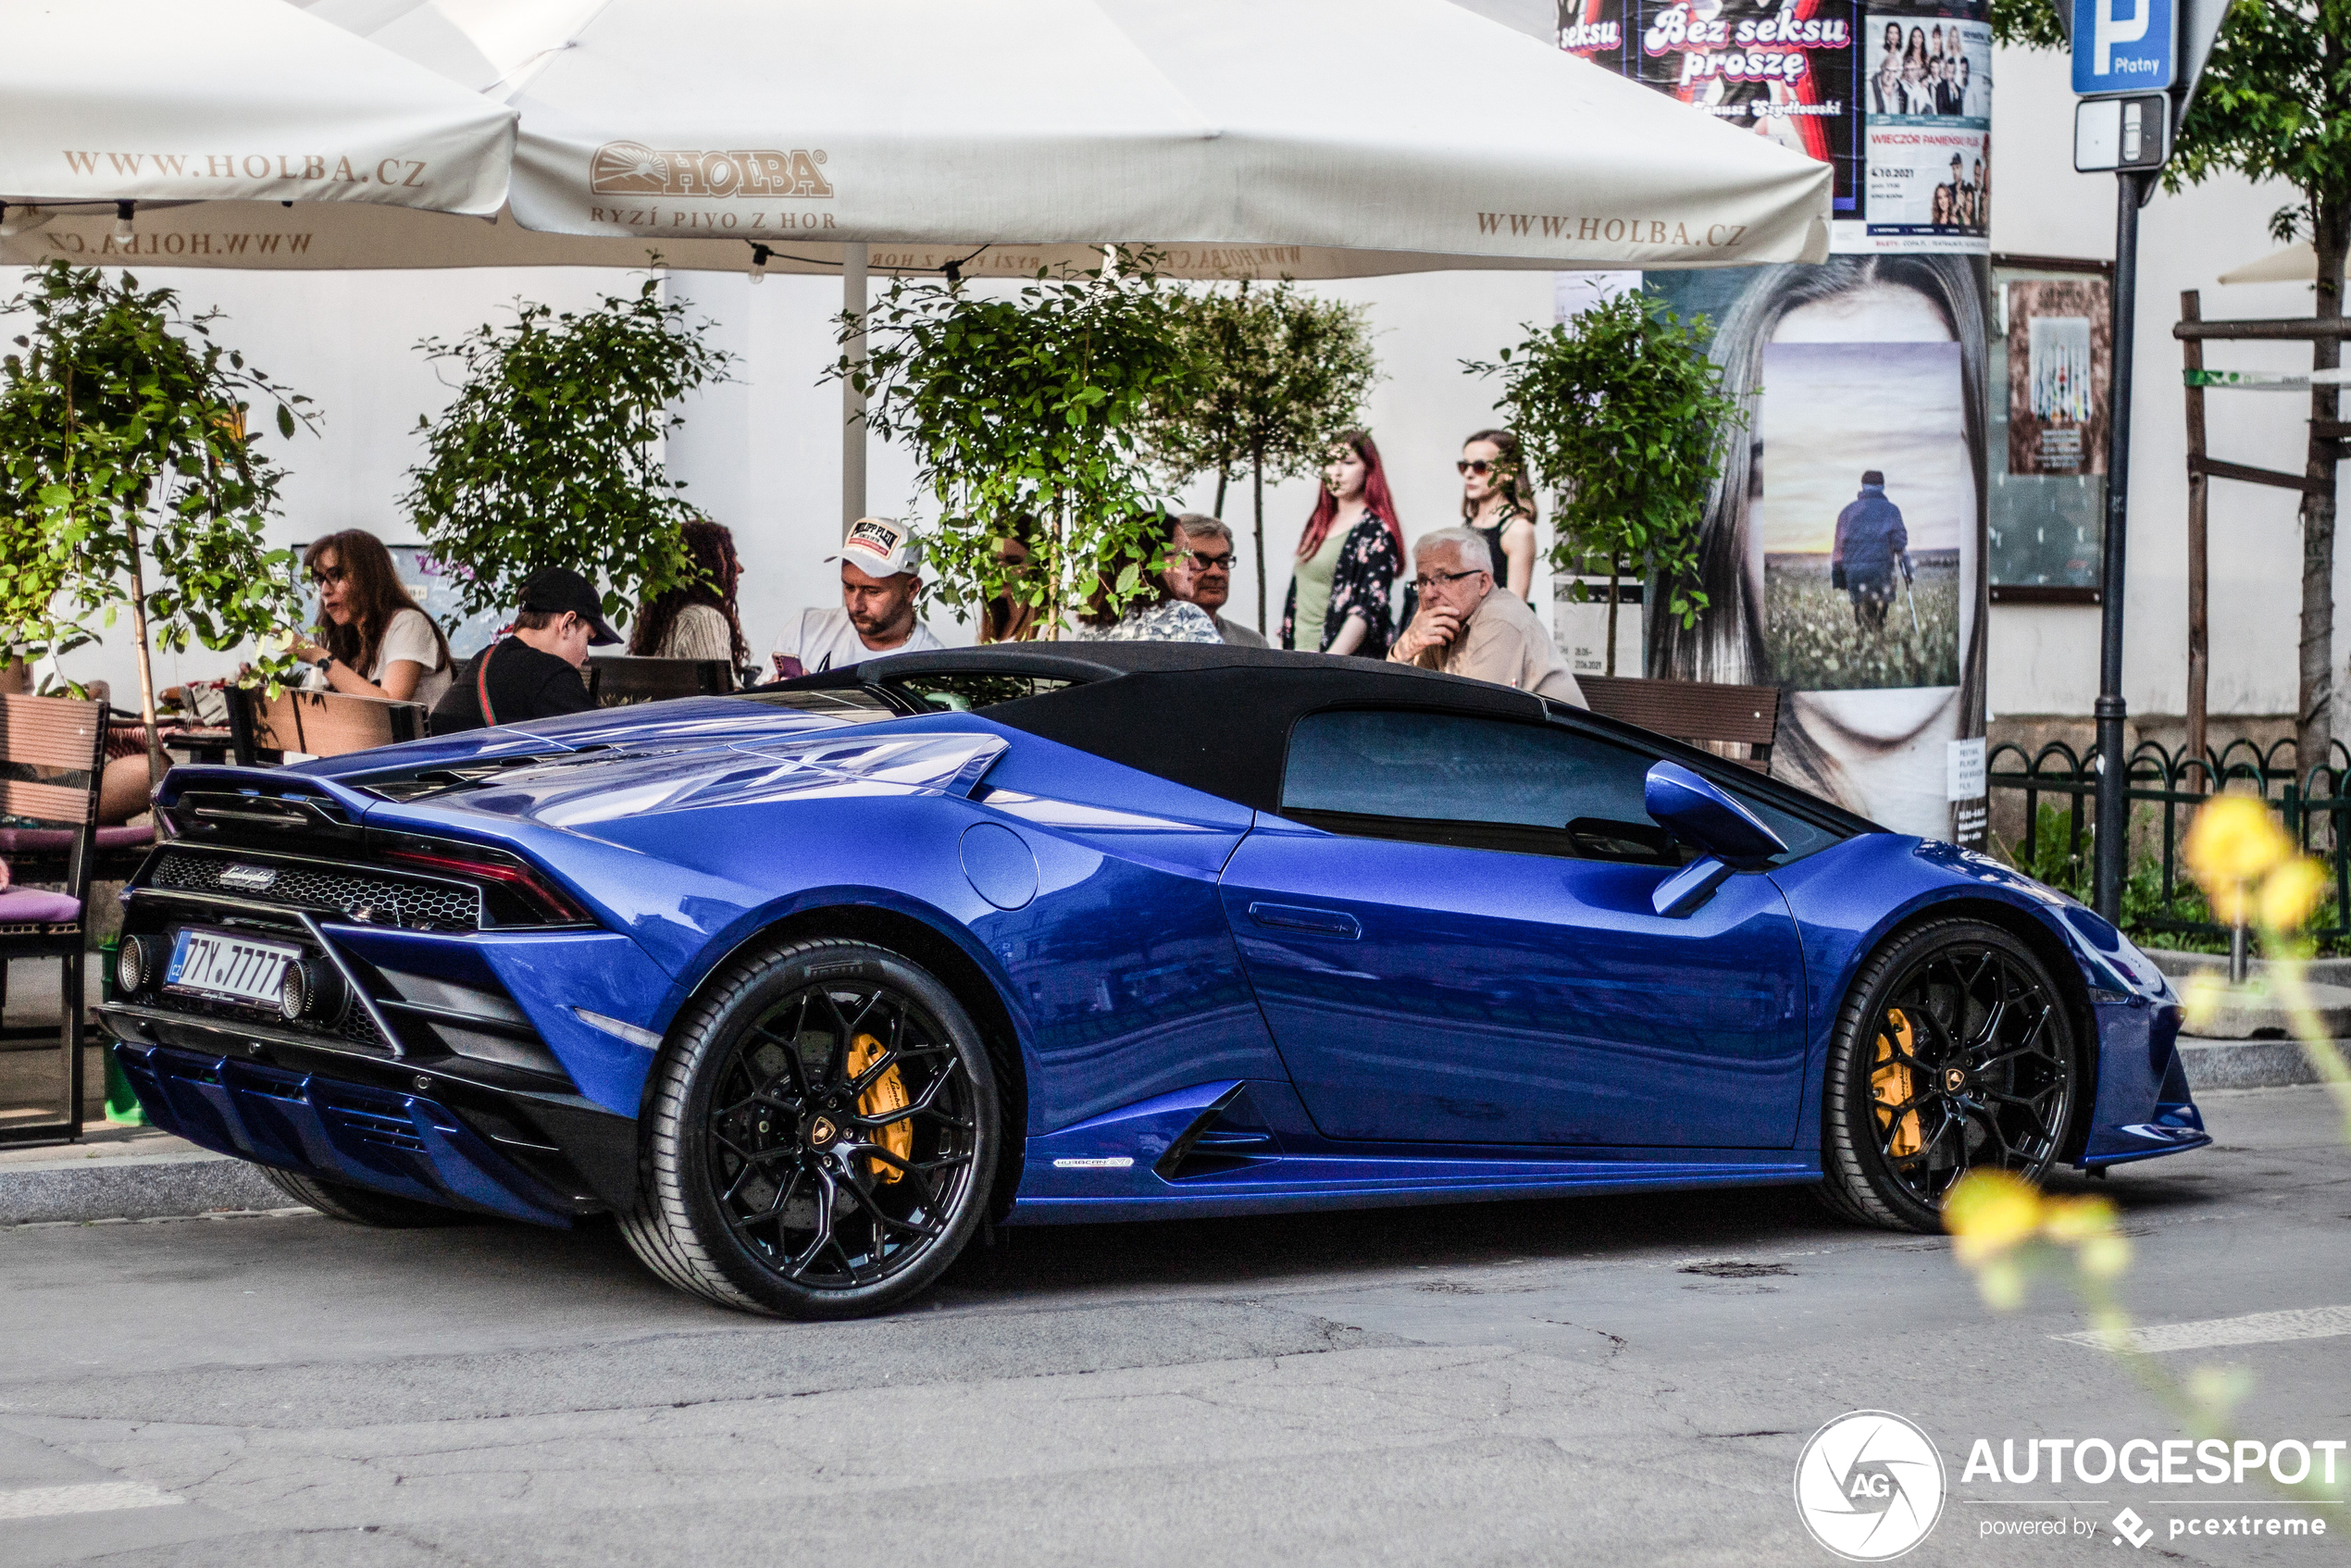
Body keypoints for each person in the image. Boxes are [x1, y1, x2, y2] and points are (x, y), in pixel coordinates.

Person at [1387, 528, 1584, 704]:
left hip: (1561, 742)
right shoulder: (1439, 623)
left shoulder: (1501, 620)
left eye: (1445, 577)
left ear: (1483, 583)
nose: (1430, 593)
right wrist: (1403, 650)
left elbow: (1475, 718)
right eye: (1423, 581)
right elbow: (1406, 701)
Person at [429, 566, 619, 734]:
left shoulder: (486, 658)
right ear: (567, 624)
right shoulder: (548, 673)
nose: (586, 656)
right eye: (587, 639)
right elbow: (603, 744)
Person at [291, 529, 454, 710]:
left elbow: (392, 706)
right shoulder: (350, 638)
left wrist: (320, 658)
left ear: (367, 575)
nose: (324, 591)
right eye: (320, 580)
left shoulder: (409, 623)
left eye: (334, 575)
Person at [770, 517, 945, 678]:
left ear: (912, 589)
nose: (856, 606)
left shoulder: (935, 668)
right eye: (849, 587)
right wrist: (771, 696)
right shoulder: (805, 628)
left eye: (873, 591)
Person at [1281, 431, 1404, 657]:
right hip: (1297, 657)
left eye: (1347, 462)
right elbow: (1301, 595)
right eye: (1329, 461)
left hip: (1336, 663)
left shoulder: (1376, 530)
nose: (1335, 472)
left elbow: (1367, 609)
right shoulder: (1319, 524)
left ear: (1368, 468)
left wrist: (1330, 663)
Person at [630, 518, 751, 678]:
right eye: (730, 558)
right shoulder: (705, 618)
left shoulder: (666, 622)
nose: (739, 568)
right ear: (709, 564)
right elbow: (720, 694)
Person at [1074, 523, 1222, 644]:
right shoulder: (1184, 616)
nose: (1195, 564)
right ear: (1153, 561)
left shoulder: (1089, 630)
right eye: (1184, 553)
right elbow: (1225, 678)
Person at [1458, 429, 1538, 602]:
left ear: (1509, 472)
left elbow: (1515, 608)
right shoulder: (1468, 525)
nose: (1468, 474)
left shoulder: (1517, 530)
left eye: (1480, 467)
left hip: (1497, 627)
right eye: (1464, 466)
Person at [1162, 515, 1266, 646]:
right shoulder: (1146, 636)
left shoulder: (1252, 645)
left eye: (1223, 562)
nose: (1216, 572)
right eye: (1200, 561)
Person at [1833, 471, 1911, 636]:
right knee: (1879, 621)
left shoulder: (1847, 512)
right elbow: (1900, 546)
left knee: (1861, 620)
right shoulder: (1892, 511)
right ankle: (1878, 645)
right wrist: (1908, 571)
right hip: (1882, 574)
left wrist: (1837, 575)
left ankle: (1863, 651)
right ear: (1882, 487)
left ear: (1862, 486)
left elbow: (1839, 548)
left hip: (1855, 574)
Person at [979, 520, 1044, 643]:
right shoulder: (993, 629)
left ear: (1038, 566)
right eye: (992, 561)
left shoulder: (1049, 627)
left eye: (1014, 561)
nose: (1001, 571)